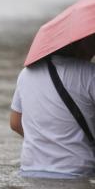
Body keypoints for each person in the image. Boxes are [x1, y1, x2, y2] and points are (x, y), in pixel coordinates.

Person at [10, 34, 95, 178]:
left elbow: (15, 123)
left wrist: (50, 142)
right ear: (79, 43)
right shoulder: (89, 73)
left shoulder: (26, 73)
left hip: (30, 171)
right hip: (76, 173)